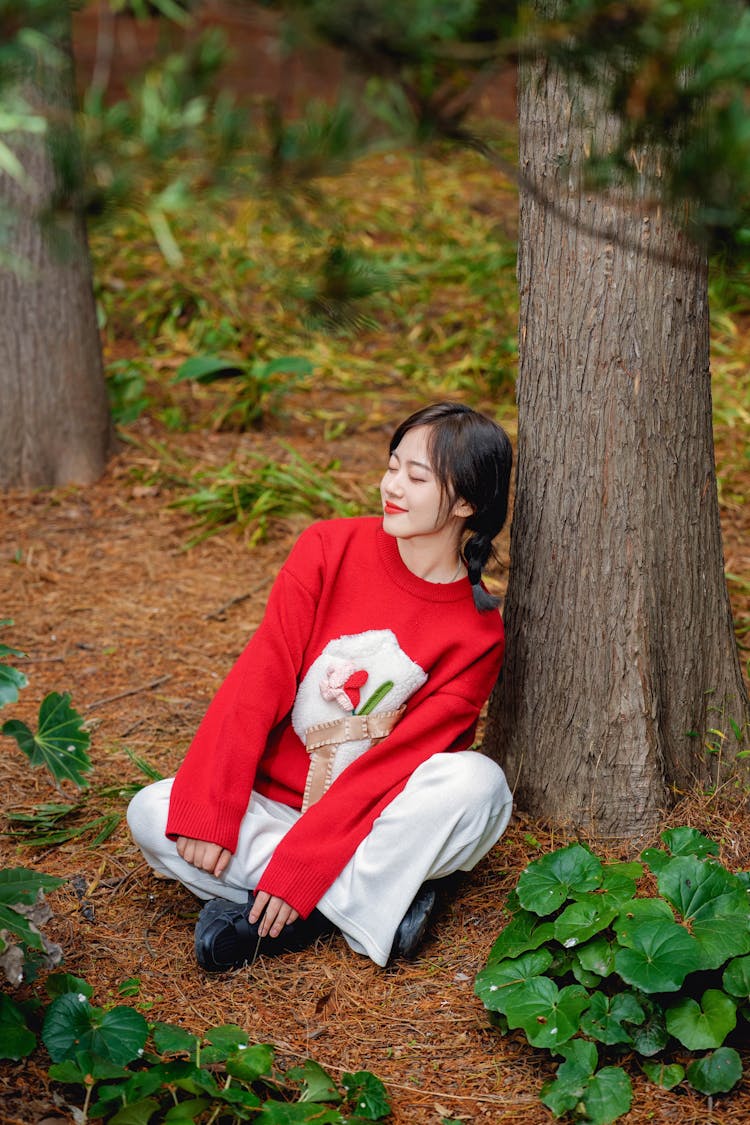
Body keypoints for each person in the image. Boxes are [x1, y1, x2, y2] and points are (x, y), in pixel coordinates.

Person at [127, 402, 514, 971]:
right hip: (277, 809)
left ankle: (284, 912)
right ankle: (370, 906)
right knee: (153, 812)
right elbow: (261, 676)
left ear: (466, 503)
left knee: (478, 785)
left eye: (416, 477)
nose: (392, 487)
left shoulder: (476, 631)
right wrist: (213, 804)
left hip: (372, 824)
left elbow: (399, 762)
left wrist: (303, 867)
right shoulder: (328, 548)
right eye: (391, 467)